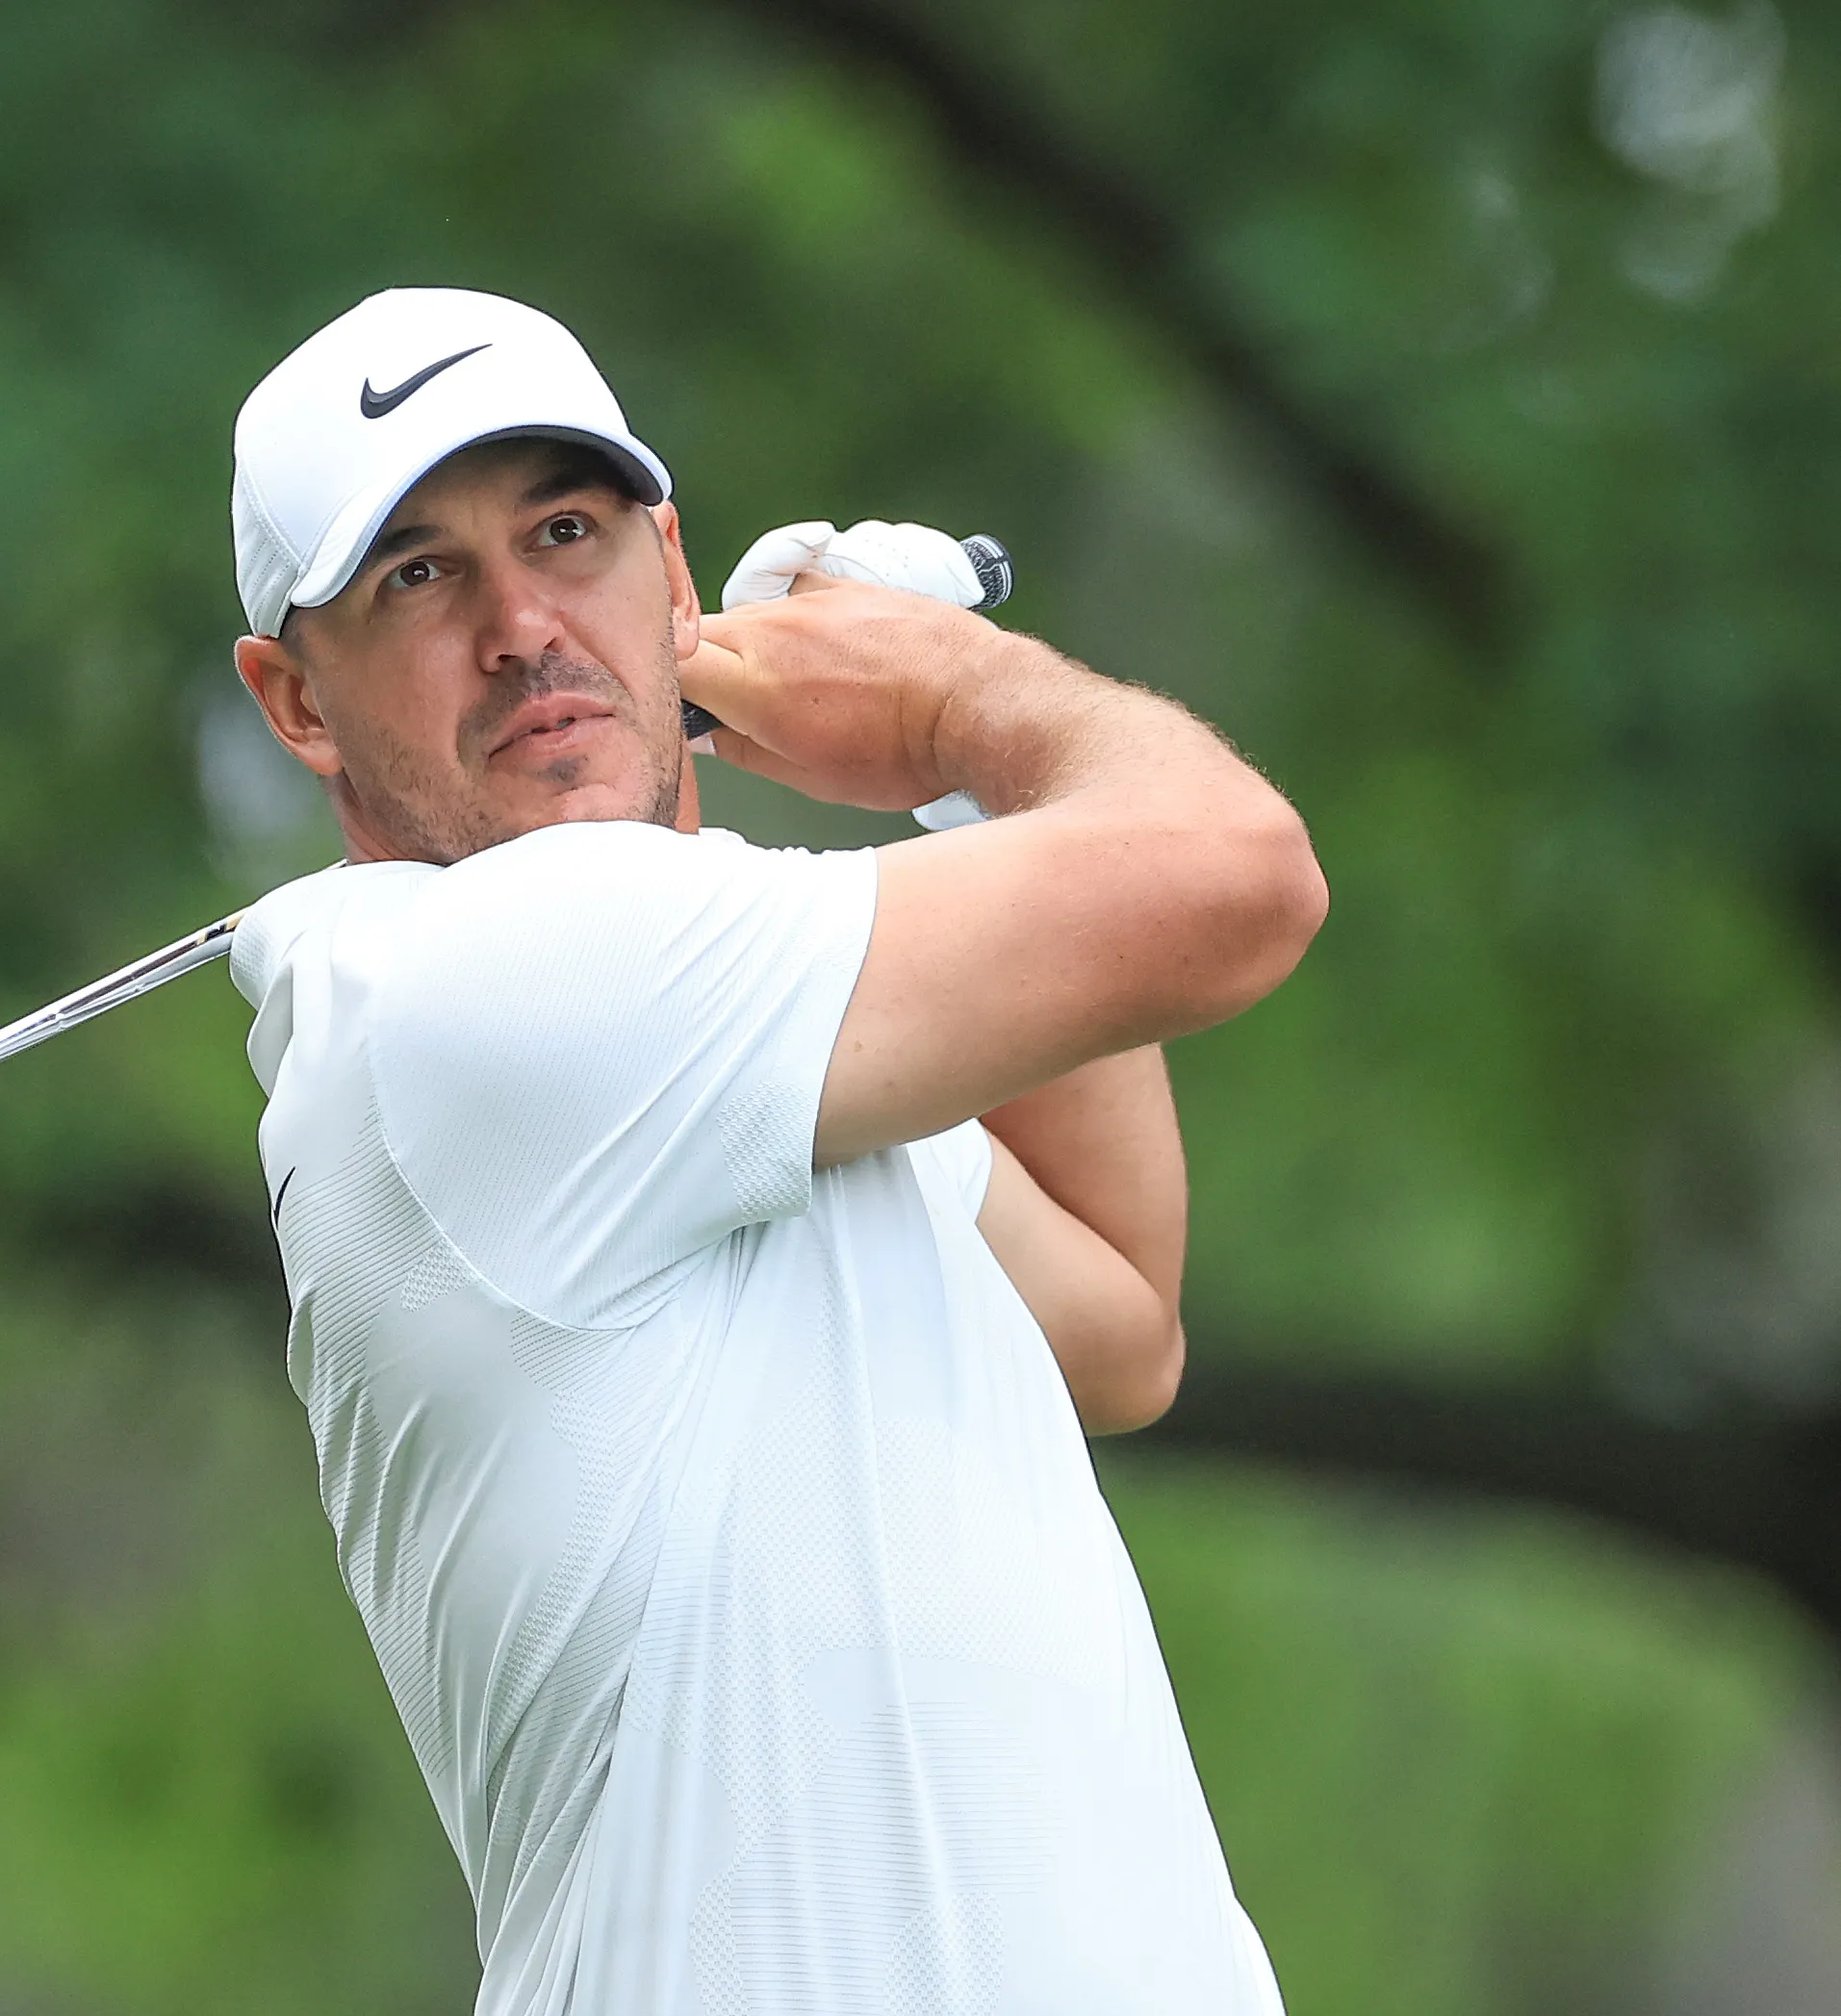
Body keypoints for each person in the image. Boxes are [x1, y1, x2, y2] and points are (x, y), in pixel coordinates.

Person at [221, 287, 1327, 2015]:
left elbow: (1118, 1315)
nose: (521, 627)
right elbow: (1239, 878)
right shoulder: (489, 991)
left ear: (672, 575)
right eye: (418, 577)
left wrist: (959, 788)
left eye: (566, 533)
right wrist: (958, 697)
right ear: (297, 701)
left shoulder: (729, 1049)